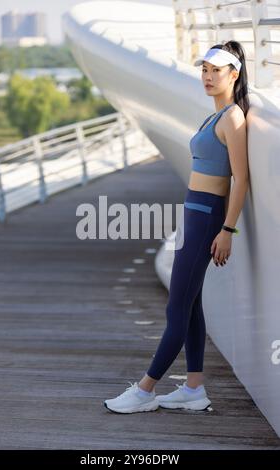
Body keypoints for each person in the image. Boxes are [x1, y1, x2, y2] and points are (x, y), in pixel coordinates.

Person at [104, 40, 250, 414]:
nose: (207, 76)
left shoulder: (233, 118)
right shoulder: (214, 116)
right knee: (191, 304)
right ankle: (194, 388)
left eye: (215, 70)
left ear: (233, 74)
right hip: (194, 214)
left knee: (176, 307)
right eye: (204, 69)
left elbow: (241, 180)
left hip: (207, 219)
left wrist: (227, 231)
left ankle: (145, 390)